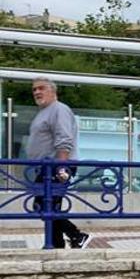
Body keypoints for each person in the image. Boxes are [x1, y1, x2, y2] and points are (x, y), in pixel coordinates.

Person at [26, 78, 90, 249]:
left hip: (56, 165)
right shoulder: (44, 112)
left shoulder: (59, 109)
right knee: (47, 207)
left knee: (45, 206)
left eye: (41, 88)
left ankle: (75, 235)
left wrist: (61, 167)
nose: (37, 92)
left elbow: (64, 139)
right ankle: (57, 244)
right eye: (34, 90)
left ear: (53, 92)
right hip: (46, 167)